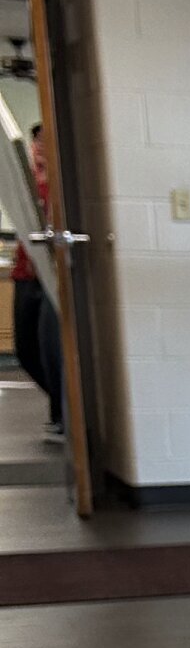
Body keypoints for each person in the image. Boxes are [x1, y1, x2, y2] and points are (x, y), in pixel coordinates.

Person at [11, 124, 59, 440]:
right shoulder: (25, 181)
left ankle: (66, 413)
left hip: (53, 272)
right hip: (27, 270)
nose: (37, 146)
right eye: (35, 140)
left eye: (43, 140)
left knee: (51, 349)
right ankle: (63, 407)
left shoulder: (62, 179)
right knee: (25, 349)